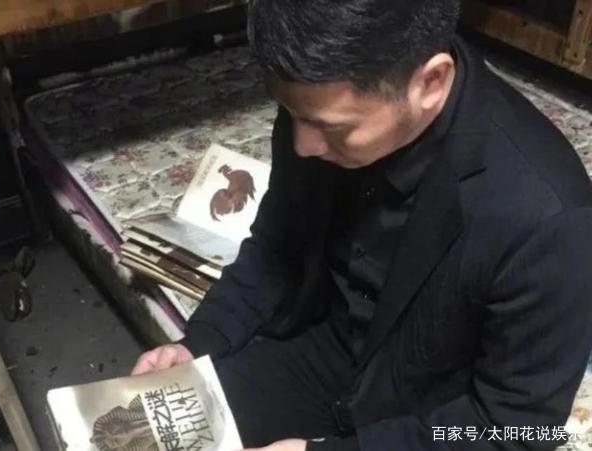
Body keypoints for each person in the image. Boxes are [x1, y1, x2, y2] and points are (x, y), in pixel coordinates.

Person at [132, 0, 592, 449]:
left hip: (435, 413)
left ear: (430, 83)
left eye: (334, 129)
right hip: (322, 351)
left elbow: (517, 431)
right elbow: (276, 249)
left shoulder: (548, 220)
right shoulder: (313, 113)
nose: (303, 146)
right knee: (137, 433)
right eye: (292, 114)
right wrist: (198, 344)